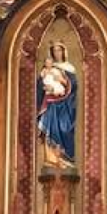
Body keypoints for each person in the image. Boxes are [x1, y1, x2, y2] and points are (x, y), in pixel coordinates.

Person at [36, 40, 77, 171]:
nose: (56, 53)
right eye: (54, 51)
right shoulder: (48, 68)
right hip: (50, 104)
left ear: (64, 52)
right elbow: (40, 86)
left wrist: (63, 81)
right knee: (50, 129)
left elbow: (74, 86)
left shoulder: (69, 68)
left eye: (59, 50)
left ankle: (66, 158)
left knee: (65, 129)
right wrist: (45, 86)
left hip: (66, 104)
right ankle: (51, 160)